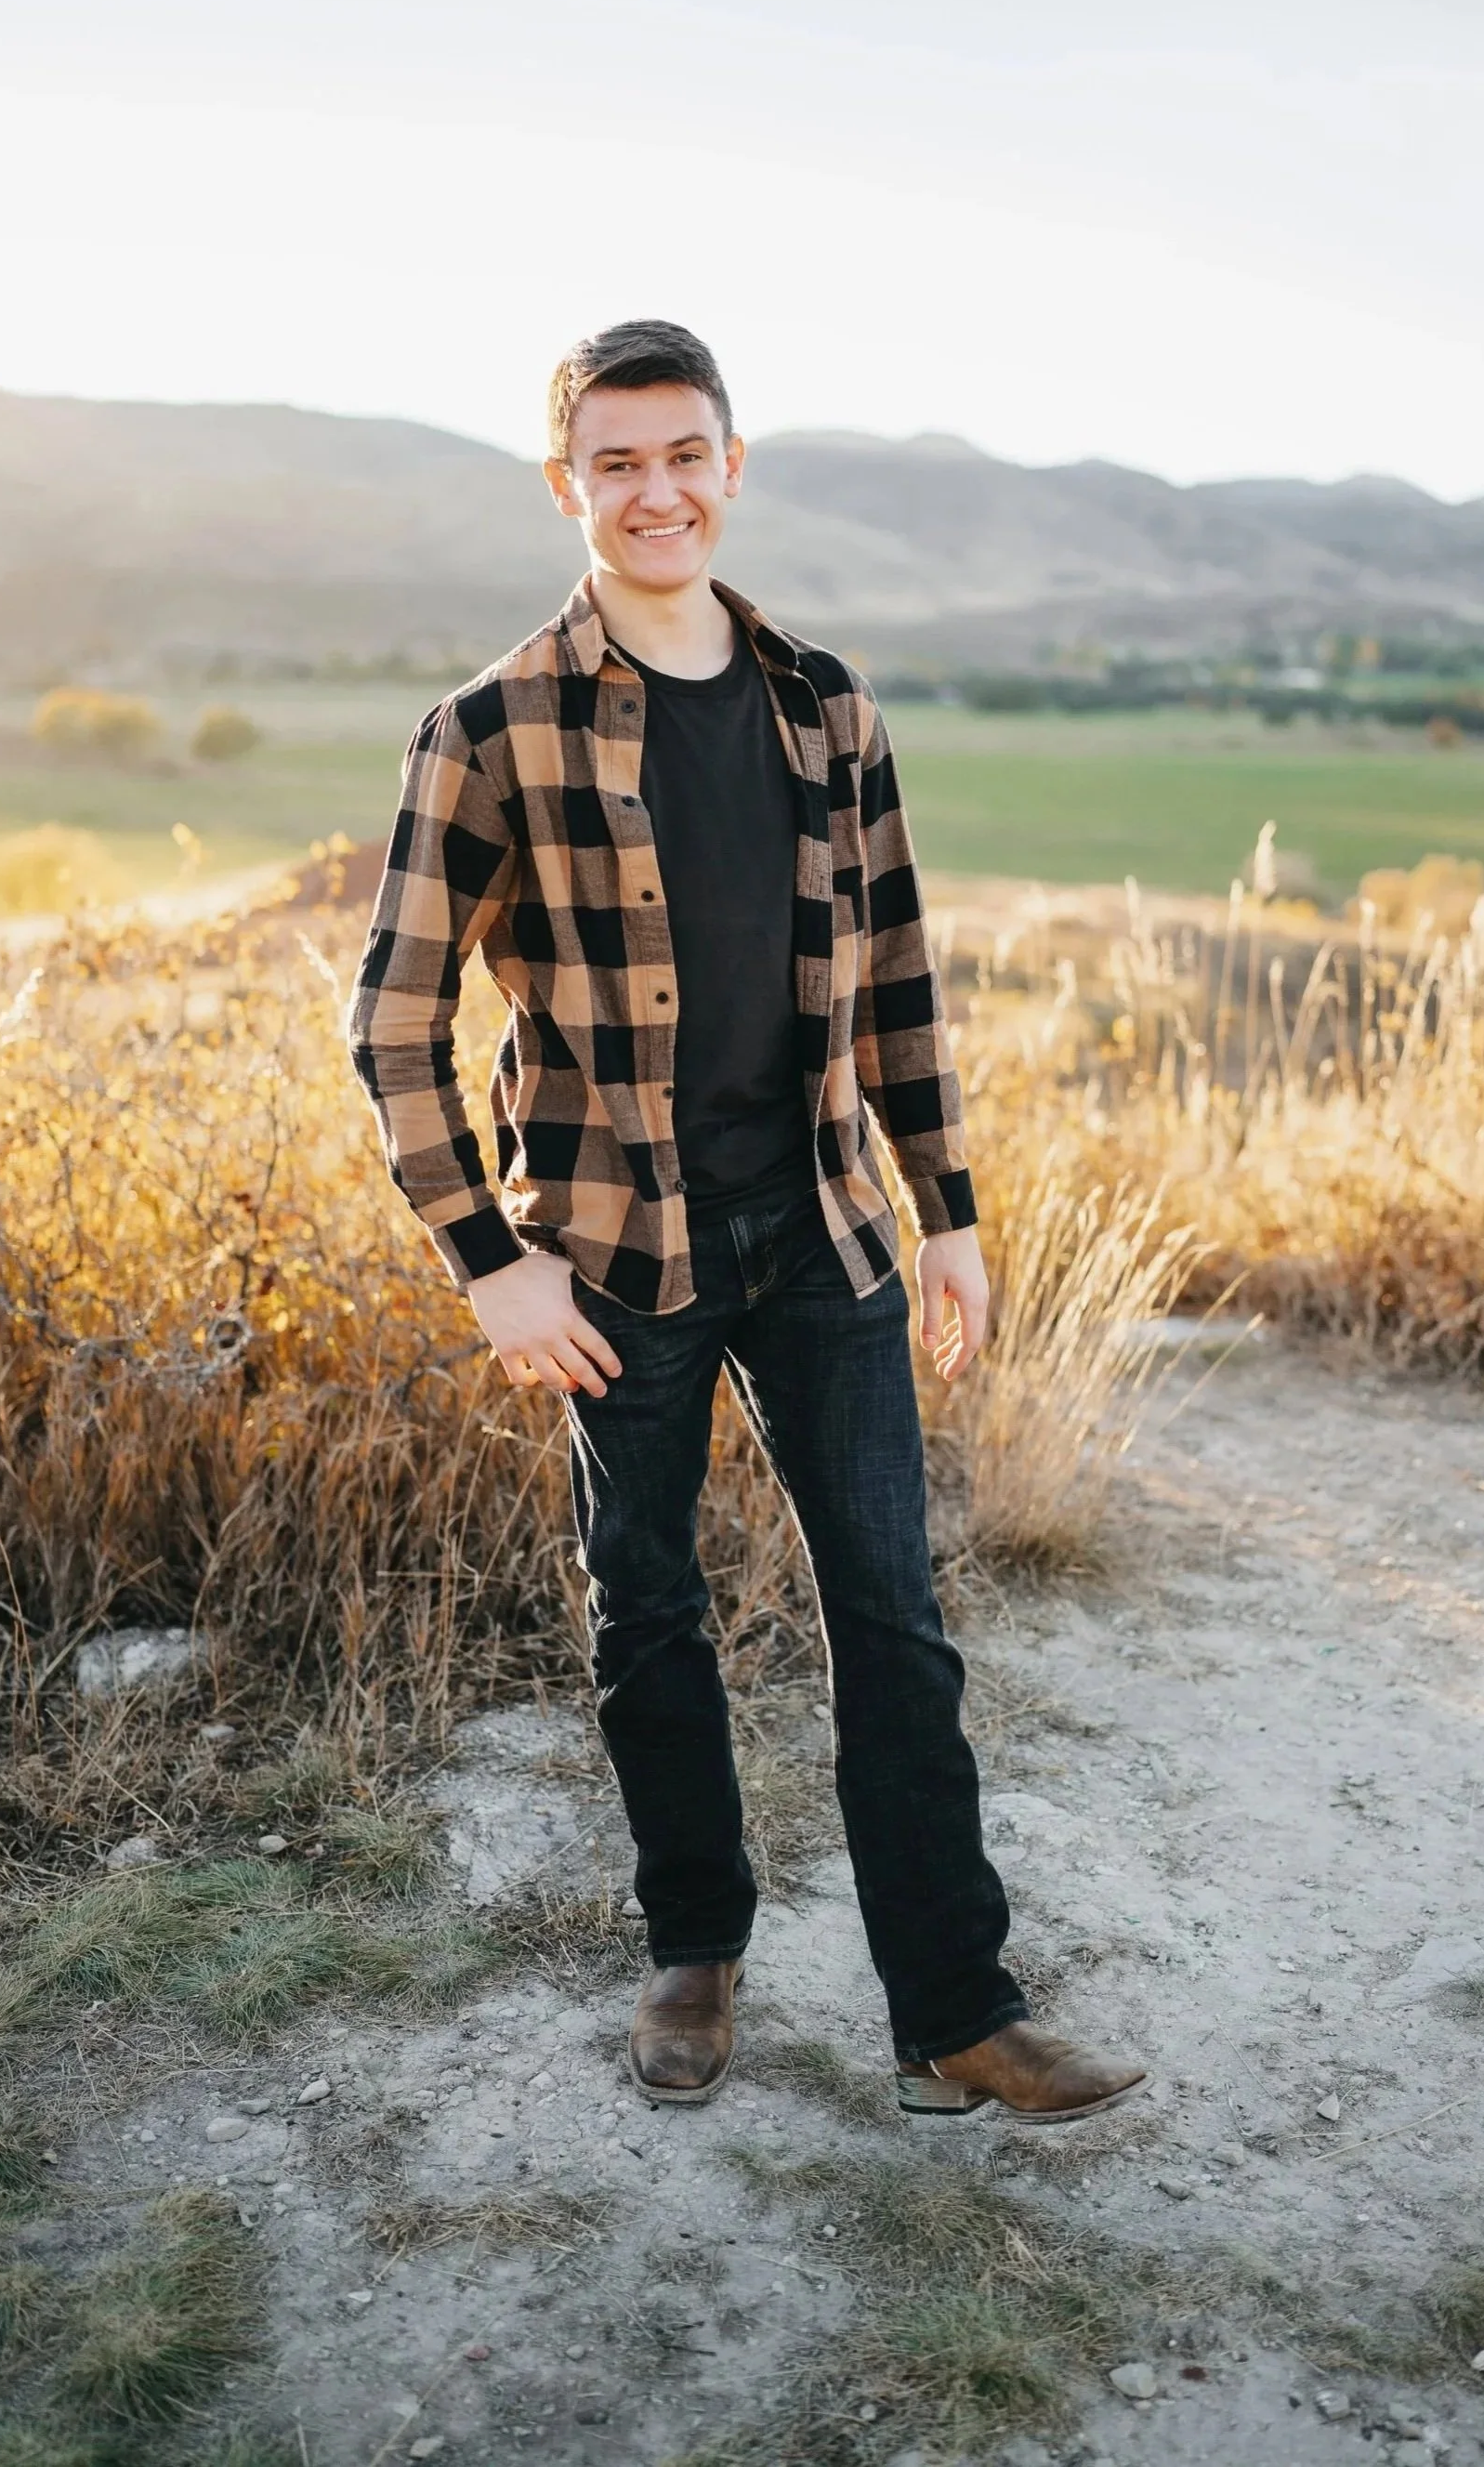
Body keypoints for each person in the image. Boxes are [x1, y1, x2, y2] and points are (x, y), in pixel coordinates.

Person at [348, 318, 1146, 2125]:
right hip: (613, 1256)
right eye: (615, 460)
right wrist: (489, 1259)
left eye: (684, 451)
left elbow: (901, 984)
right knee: (646, 1606)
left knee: (895, 1611)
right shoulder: (488, 729)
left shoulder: (824, 705)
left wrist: (948, 1210)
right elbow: (391, 1022)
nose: (656, 489)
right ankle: (693, 1946)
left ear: (732, 464)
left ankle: (953, 2005)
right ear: (568, 483)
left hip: (821, 1231)